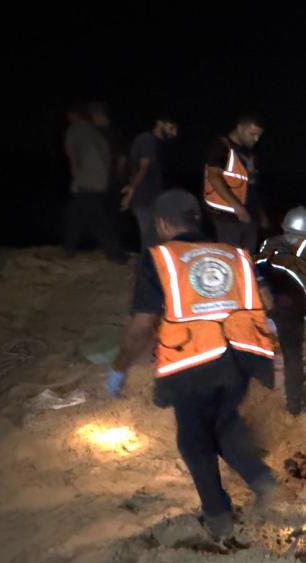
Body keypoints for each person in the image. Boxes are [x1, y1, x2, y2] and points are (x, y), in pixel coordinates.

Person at [107, 189, 279, 542]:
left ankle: (218, 517)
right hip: (241, 356)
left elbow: (142, 324)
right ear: (196, 220)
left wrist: (120, 366)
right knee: (224, 424)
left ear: (161, 224)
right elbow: (267, 300)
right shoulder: (235, 254)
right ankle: (262, 481)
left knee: (193, 439)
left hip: (194, 361)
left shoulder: (161, 259)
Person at [256, 206, 306, 414]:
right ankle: (294, 406)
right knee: (293, 357)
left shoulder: (270, 243)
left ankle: (257, 386)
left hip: (265, 301)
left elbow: (256, 268)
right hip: (292, 308)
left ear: (285, 226)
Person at [63, 104, 123, 262]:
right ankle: (70, 248)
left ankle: (115, 254)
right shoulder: (94, 132)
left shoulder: (75, 130)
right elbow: (108, 156)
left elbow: (71, 153)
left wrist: (76, 174)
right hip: (100, 181)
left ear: (73, 116)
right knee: (78, 215)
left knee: (95, 219)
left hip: (86, 182)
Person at [204, 114, 266, 252]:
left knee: (248, 259)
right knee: (230, 258)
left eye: (259, 136)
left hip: (249, 216)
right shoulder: (221, 146)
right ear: (240, 128)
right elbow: (214, 176)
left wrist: (261, 214)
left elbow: (252, 184)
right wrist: (237, 206)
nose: (256, 139)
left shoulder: (249, 152)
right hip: (227, 216)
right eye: (252, 134)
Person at [121, 114, 179, 252]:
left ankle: (151, 266)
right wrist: (131, 191)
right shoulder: (147, 140)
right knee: (149, 236)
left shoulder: (160, 144)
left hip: (156, 196)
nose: (174, 133)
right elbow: (143, 168)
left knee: (157, 236)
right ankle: (145, 269)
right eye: (171, 128)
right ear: (159, 122)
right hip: (145, 196)